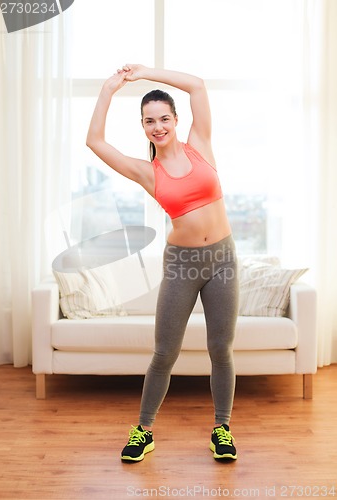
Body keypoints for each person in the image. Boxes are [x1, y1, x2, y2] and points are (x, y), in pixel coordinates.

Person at [86, 64, 239, 462]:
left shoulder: (200, 145)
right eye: (149, 121)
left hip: (222, 259)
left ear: (176, 120)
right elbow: (95, 141)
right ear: (143, 126)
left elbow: (198, 85)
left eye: (164, 118)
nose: (158, 126)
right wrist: (108, 88)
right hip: (182, 264)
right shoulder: (147, 172)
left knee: (220, 348)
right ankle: (144, 430)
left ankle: (222, 429)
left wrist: (145, 72)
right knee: (164, 353)